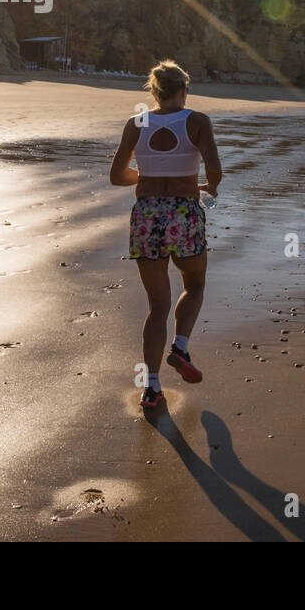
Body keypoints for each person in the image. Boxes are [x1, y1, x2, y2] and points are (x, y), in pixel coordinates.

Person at [109, 60, 222, 409]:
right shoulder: (197, 121)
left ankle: (151, 389)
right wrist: (206, 187)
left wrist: (146, 179)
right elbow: (215, 172)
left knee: (156, 306)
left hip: (146, 216)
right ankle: (181, 347)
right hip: (183, 213)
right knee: (195, 283)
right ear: (184, 90)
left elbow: (117, 175)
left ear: (154, 93)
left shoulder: (136, 122)